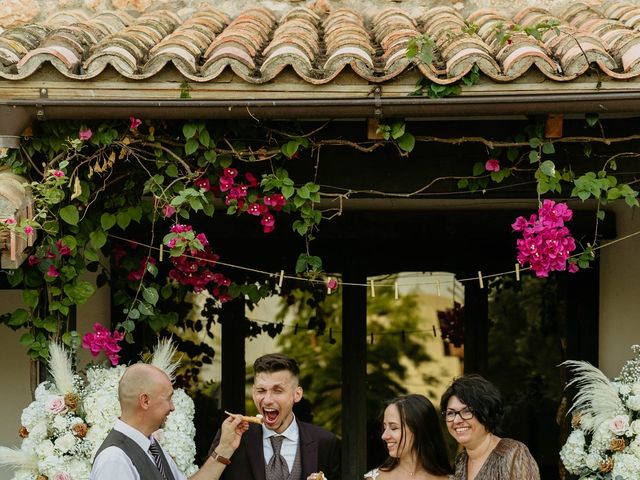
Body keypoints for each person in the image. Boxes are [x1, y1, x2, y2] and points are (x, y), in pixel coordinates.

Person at [90, 363, 248, 480]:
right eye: (168, 398)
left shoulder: (151, 445)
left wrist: (225, 447)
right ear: (145, 401)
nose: (172, 407)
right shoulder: (114, 459)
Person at [209, 353, 341, 480]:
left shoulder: (325, 442)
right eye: (261, 391)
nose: (267, 400)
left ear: (297, 394)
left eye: (277, 391)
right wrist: (223, 449)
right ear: (254, 393)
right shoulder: (230, 437)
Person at [440, 374, 540, 480]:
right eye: (450, 413)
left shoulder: (514, 454)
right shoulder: (461, 460)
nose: (456, 420)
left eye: (467, 411)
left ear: (485, 413)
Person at [364, 394, 453, 480]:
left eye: (394, 428)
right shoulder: (373, 478)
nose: (384, 436)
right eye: (384, 427)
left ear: (419, 430)